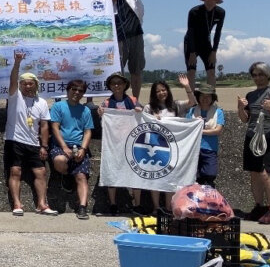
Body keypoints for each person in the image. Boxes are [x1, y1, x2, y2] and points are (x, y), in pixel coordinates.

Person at [4, 52, 56, 216]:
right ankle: (17, 204)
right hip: (14, 140)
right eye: (24, 84)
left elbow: (45, 126)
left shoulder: (41, 102)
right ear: (20, 85)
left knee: (41, 172)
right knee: (16, 172)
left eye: (31, 84)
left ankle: (42, 204)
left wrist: (44, 146)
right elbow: (13, 80)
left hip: (34, 143)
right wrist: (17, 62)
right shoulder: (15, 96)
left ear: (36, 85)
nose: (27, 86)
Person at [237, 61, 270, 225]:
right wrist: (240, 108)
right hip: (251, 138)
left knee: (265, 174)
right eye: (255, 75)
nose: (258, 78)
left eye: (261, 74)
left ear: (268, 75)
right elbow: (245, 120)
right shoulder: (250, 95)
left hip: (267, 138)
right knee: (254, 173)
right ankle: (258, 207)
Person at [142, 75, 196, 213]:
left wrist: (187, 86)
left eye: (163, 90)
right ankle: (156, 208)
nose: (161, 93)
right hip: (155, 147)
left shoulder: (176, 105)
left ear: (168, 91)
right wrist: (152, 118)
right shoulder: (149, 108)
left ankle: (168, 207)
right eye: (158, 91)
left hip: (173, 148)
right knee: (155, 178)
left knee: (170, 178)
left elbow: (192, 102)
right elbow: (142, 121)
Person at [96, 71, 142, 216]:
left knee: (135, 173)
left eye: (119, 83)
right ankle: (113, 204)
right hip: (114, 144)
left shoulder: (134, 101)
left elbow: (144, 116)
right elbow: (103, 123)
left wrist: (140, 111)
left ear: (124, 85)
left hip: (132, 142)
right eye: (113, 83)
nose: (117, 85)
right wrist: (101, 114)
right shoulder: (106, 103)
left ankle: (138, 204)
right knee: (112, 171)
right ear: (110, 86)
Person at [48, 79, 94, 220]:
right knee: (60, 160)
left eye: (80, 91)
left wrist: (83, 149)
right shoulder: (58, 106)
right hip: (60, 145)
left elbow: (87, 131)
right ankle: (66, 176)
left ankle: (82, 207)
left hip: (79, 146)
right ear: (68, 90)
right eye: (74, 89)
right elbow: (55, 127)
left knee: (81, 177)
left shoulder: (85, 110)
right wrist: (64, 147)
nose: (76, 93)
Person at [107, 0, 146, 99]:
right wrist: (110, 1)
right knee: (118, 72)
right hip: (118, 38)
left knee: (137, 70)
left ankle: (136, 100)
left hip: (136, 34)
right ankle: (119, 100)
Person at [184, 0, 226, 90]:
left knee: (211, 72)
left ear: (216, 0)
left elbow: (218, 32)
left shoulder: (220, 12)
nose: (209, 2)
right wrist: (192, 52)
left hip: (206, 44)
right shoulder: (194, 11)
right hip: (191, 42)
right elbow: (190, 31)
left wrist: (214, 51)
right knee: (191, 72)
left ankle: (211, 99)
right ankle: (192, 100)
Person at [186, 86, 224, 187]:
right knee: (195, 176)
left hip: (210, 149)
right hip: (194, 149)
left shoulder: (218, 112)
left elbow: (218, 130)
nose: (205, 99)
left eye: (208, 96)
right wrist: (195, 122)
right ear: (198, 97)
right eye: (202, 96)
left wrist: (199, 130)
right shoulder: (192, 111)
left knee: (210, 174)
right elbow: (187, 128)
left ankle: (209, 198)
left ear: (213, 98)